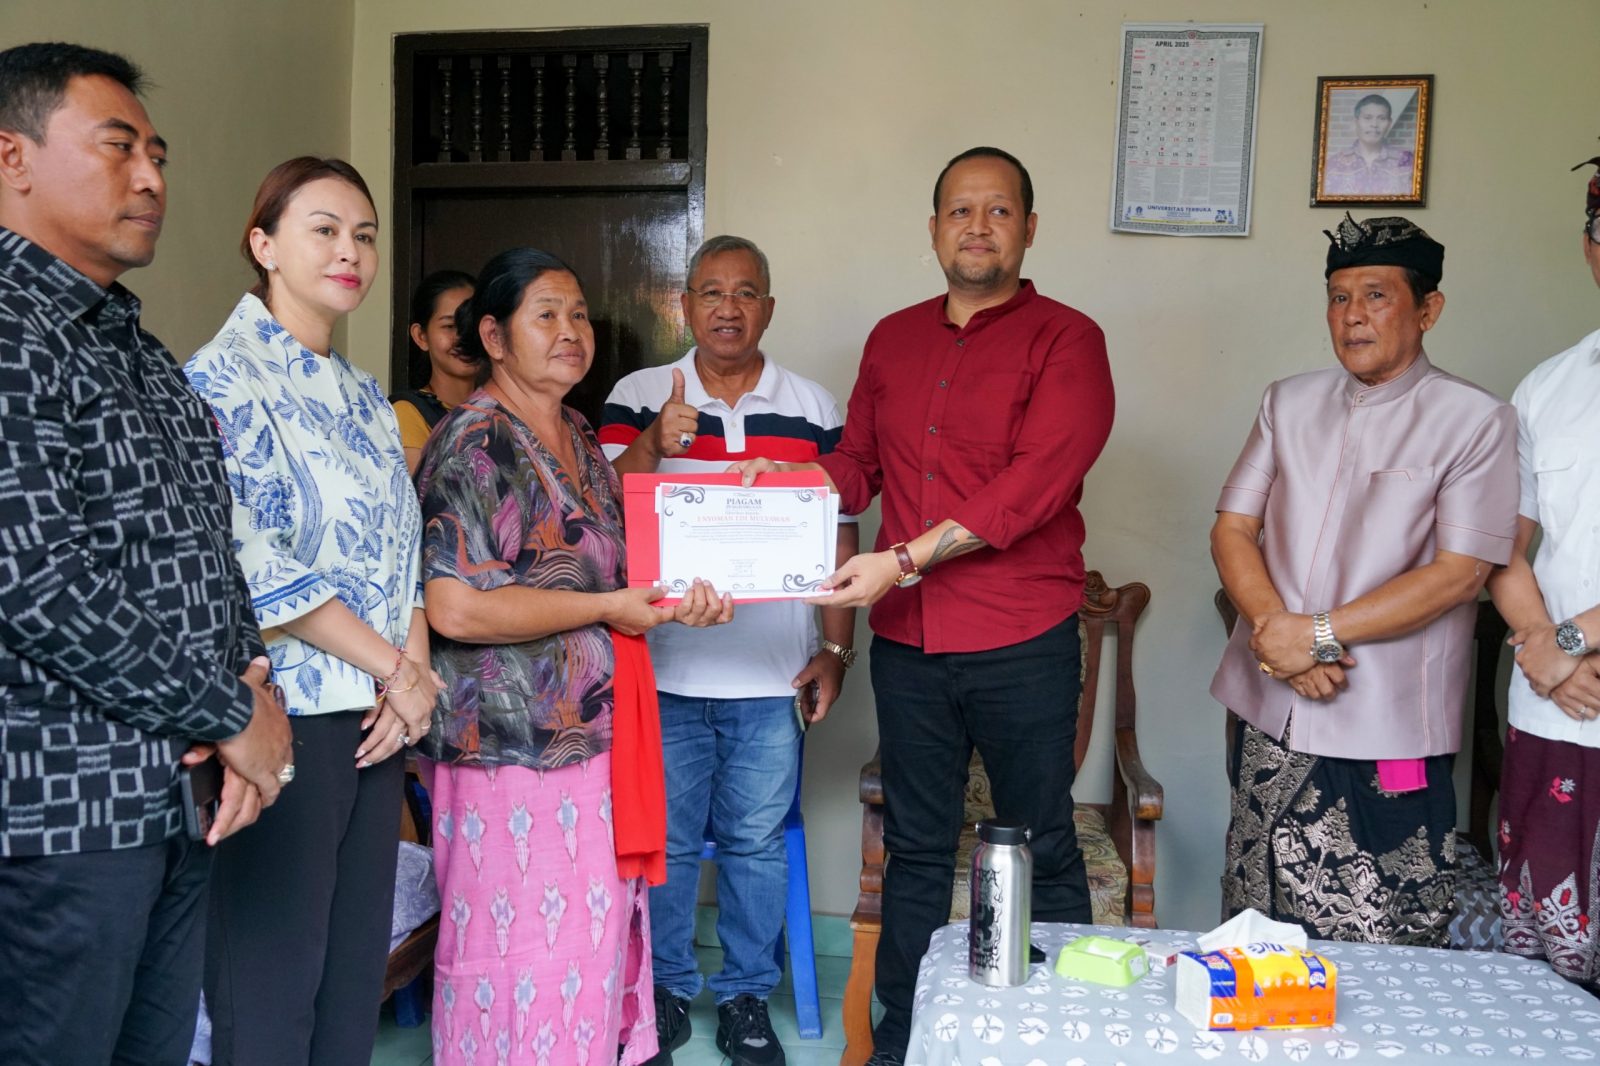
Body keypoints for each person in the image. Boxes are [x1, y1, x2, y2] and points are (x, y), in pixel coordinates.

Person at [732, 146, 1114, 1066]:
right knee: (915, 853)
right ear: (933, 228)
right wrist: (789, 480)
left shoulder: (1068, 339)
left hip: (1023, 637)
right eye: (958, 211)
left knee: (1042, 846)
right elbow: (857, 465)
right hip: (910, 646)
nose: (976, 226)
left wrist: (901, 559)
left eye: (997, 211)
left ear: (1028, 227)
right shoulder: (892, 338)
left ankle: (1057, 1045)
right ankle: (897, 1048)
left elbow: (1031, 489)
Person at [0, 42, 291, 1065]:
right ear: (12, 158)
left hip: (172, 800)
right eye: (118, 147)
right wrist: (228, 712)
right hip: (55, 817)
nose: (153, 178)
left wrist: (253, 695)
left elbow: (211, 548)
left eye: (157, 153)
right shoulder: (9, 332)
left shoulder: (138, 349)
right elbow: (35, 583)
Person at [416, 247, 732, 1066]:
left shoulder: (576, 431)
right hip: (513, 752)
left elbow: (595, 515)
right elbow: (454, 606)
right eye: (547, 315)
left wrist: (657, 445)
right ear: (493, 334)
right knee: (518, 959)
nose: (571, 332)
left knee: (583, 958)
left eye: (580, 315)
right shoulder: (474, 444)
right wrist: (607, 607)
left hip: (589, 740)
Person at [184, 156, 440, 1066]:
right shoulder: (219, 379)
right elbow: (255, 558)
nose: (350, 251)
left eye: (364, 235)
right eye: (324, 229)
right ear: (264, 244)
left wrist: (413, 679)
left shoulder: (365, 396)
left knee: (346, 985)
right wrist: (395, 668)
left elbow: (404, 548)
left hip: (377, 719)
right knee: (271, 989)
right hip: (285, 717)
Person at [1210, 213, 1518, 947]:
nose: (1352, 316)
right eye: (1339, 297)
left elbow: (1459, 572)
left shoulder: (1474, 419)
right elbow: (1232, 528)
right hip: (1273, 708)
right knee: (1258, 930)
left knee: (1382, 941)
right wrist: (1274, 633)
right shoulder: (1286, 402)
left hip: (1387, 724)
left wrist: (1315, 636)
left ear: (1427, 309)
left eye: (1376, 295)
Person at [600, 235, 859, 1066]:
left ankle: (747, 996)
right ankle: (669, 992)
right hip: (666, 671)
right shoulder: (640, 394)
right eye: (710, 292)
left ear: (768, 309)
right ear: (686, 307)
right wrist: (656, 443)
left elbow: (842, 535)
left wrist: (835, 652)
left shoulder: (814, 405)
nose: (727, 308)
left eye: (746, 292)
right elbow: (603, 511)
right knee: (668, 844)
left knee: (751, 845)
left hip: (771, 676)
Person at [1486, 157, 1600, 987]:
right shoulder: (1549, 386)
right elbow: (1504, 545)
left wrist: (1568, 641)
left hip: (1563, 665)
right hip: (1553, 717)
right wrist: (1544, 651)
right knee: (1550, 979)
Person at [393, 268, 476, 474]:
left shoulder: (499, 411)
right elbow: (424, 503)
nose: (463, 337)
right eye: (449, 326)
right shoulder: (408, 413)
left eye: (471, 324)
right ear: (421, 336)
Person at [1323, 93, 1416, 197]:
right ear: (1356, 122)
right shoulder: (1334, 164)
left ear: (1389, 123)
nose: (1374, 125)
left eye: (1381, 118)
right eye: (1367, 118)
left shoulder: (1407, 161)